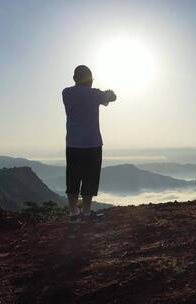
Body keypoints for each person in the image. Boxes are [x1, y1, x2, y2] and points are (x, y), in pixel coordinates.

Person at [62, 65, 117, 223]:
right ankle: (86, 213)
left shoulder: (66, 93)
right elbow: (113, 98)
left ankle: (73, 213)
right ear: (91, 80)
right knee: (90, 179)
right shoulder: (95, 94)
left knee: (72, 179)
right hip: (92, 143)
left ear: (74, 79)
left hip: (72, 144)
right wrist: (109, 93)